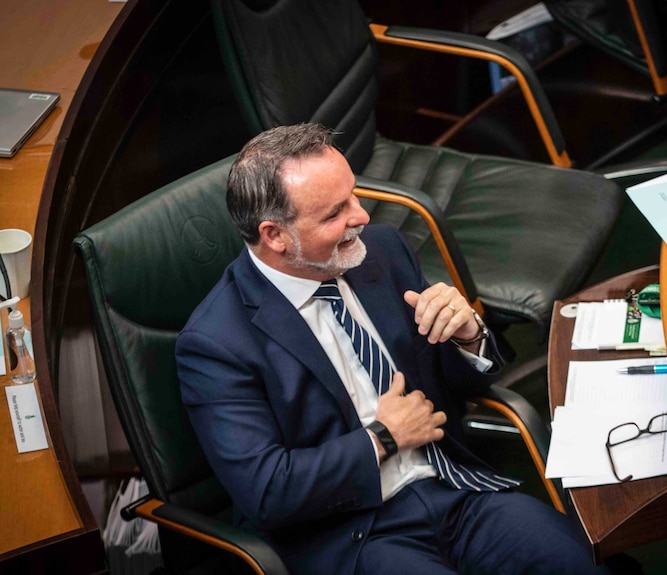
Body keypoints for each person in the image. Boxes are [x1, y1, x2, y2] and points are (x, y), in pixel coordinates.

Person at [176, 123, 613, 575]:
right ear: (275, 236)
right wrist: (382, 438)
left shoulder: (380, 252)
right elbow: (268, 491)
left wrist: (466, 336)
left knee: (577, 564)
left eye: (354, 194)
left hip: (453, 489)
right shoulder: (215, 344)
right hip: (354, 534)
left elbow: (448, 384)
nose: (361, 216)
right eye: (335, 213)